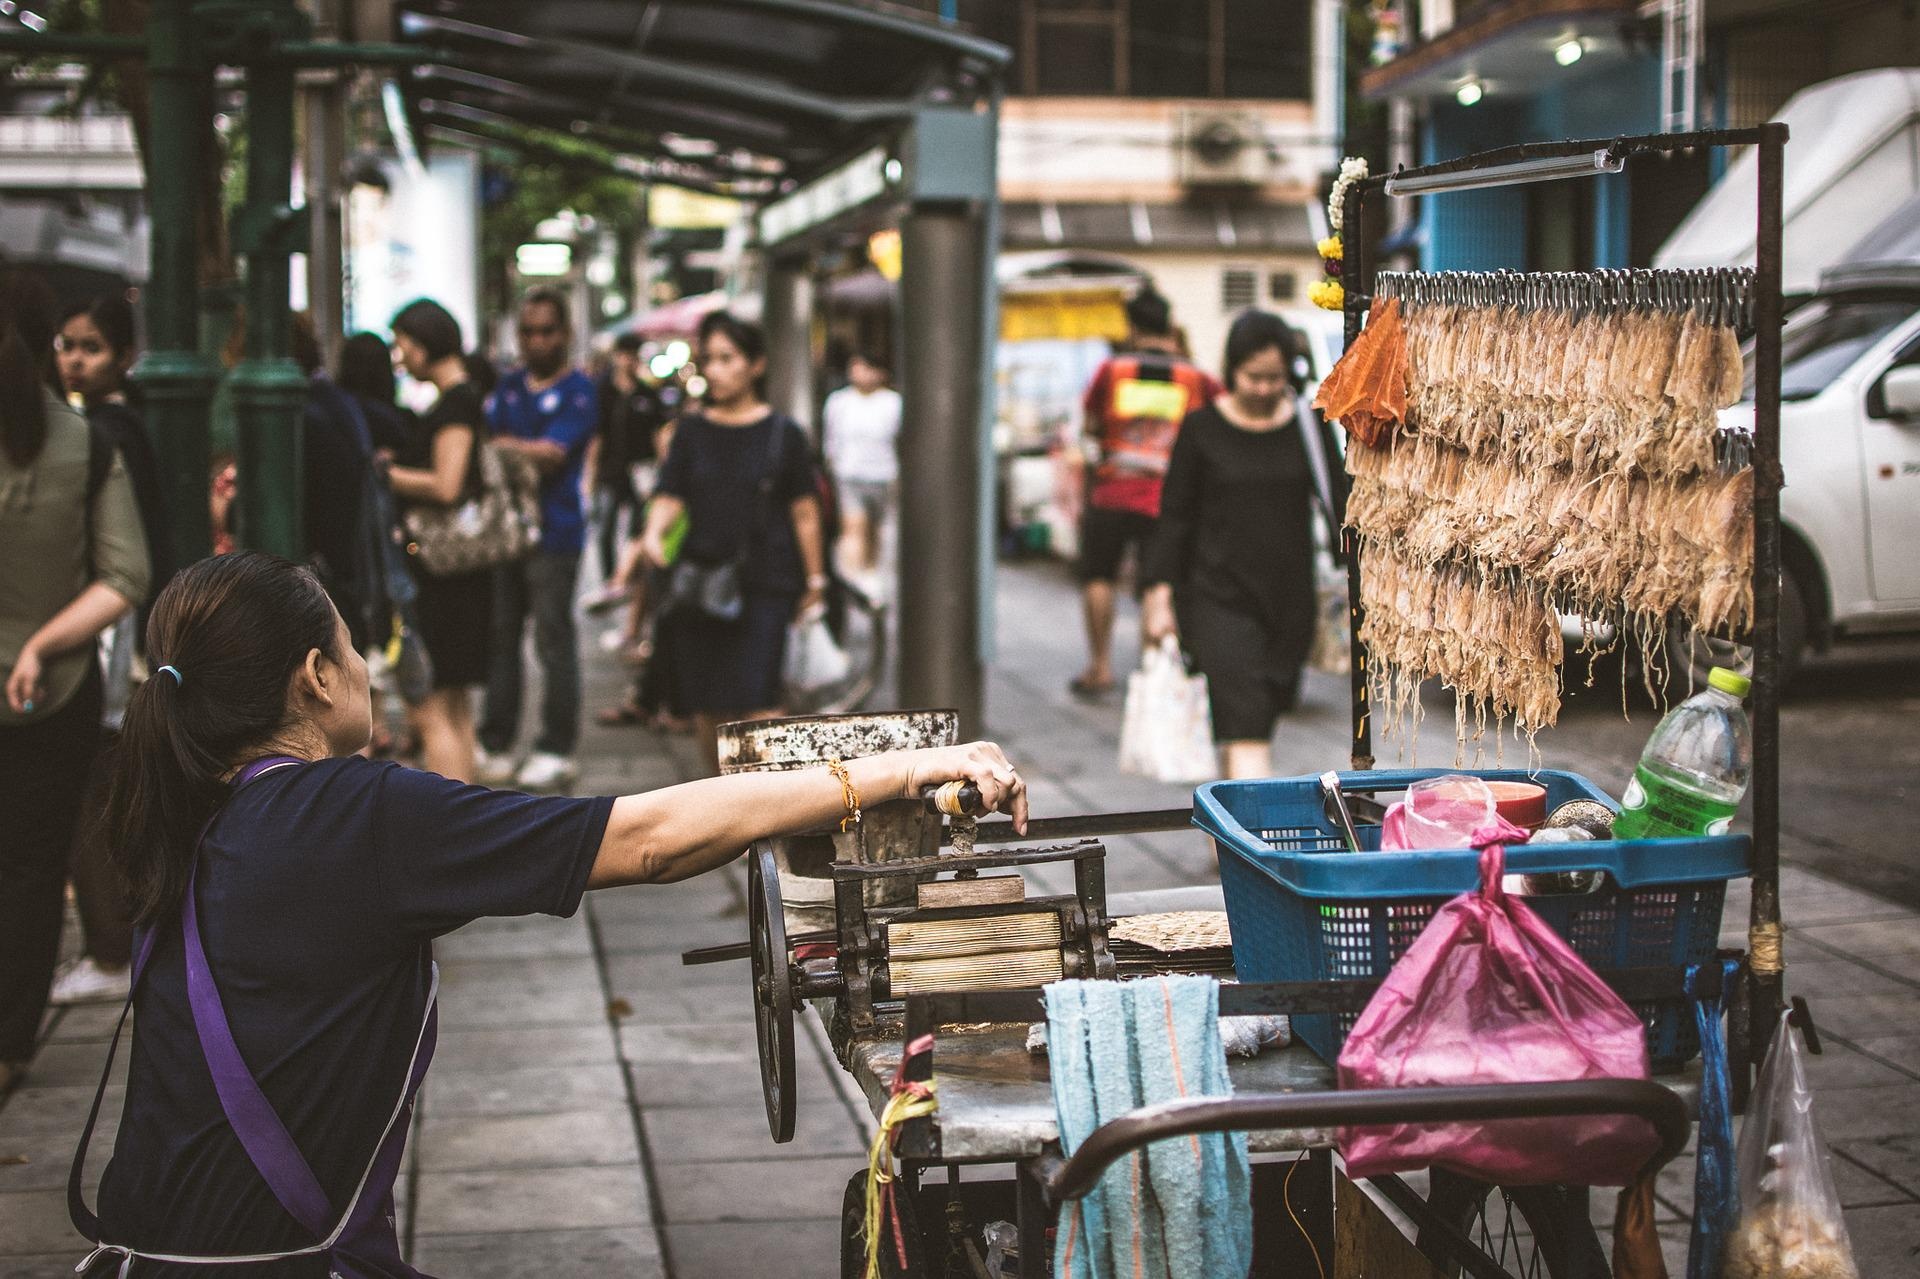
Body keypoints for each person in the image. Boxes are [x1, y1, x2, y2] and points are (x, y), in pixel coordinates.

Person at [69, 549, 1025, 1275]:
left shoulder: (189, 806)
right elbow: (647, 838)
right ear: (316, 676)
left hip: (152, 1241)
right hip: (267, 1256)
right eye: (354, 645)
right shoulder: (353, 816)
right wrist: (899, 770)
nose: (364, 665)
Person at [0, 267, 150, 1094]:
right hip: (52, 691)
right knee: (27, 867)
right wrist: (41, 644)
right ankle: (9, 1041)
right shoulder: (87, 444)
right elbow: (125, 572)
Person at [1141, 310, 1340, 780]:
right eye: (1254, 377)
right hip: (1217, 598)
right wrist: (1157, 594)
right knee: (1246, 718)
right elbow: (1174, 518)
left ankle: (1225, 837)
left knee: (1251, 721)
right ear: (1231, 370)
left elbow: (1339, 501)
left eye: (1275, 378)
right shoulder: (1201, 430)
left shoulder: (1308, 427)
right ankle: (1250, 844)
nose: (1265, 389)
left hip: (1289, 603)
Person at [48, 295, 174, 1007]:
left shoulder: (102, 431)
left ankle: (112, 944)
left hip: (114, 642)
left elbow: (122, 557)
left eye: (90, 346)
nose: (73, 358)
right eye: (67, 344)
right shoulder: (113, 424)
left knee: (97, 791)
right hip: (123, 636)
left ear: (123, 355)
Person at [640, 311, 828, 771]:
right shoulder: (690, 432)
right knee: (710, 706)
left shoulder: (784, 435)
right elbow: (671, 494)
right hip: (702, 582)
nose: (716, 370)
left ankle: (763, 812)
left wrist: (816, 578)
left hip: (765, 582)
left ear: (755, 365)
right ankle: (724, 802)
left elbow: (805, 512)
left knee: (760, 701)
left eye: (728, 358)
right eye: (710, 360)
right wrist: (652, 533)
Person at [1071, 286, 1221, 700]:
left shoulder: (1112, 370)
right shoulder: (1195, 377)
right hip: (1167, 499)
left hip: (1113, 491)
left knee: (1099, 575)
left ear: (1133, 326)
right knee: (1157, 582)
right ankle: (1150, 668)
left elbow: (1089, 424)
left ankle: (1099, 666)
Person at [476, 288, 597, 792]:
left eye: (546, 331)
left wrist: (504, 447)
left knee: (552, 639)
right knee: (501, 638)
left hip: (555, 532)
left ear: (565, 334)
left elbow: (551, 453)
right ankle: (496, 739)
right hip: (503, 535)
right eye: (527, 331)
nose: (536, 341)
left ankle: (555, 745)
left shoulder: (580, 391)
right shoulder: (507, 388)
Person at [381, 299, 492, 783]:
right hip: (460, 576)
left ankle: (454, 824)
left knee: (429, 709)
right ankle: (469, 818)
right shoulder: (462, 398)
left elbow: (446, 485)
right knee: (453, 704)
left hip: (443, 576)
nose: (400, 357)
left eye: (403, 345)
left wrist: (388, 473)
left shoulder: (456, 403)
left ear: (424, 343)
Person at [584, 331, 668, 594]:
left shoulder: (646, 394)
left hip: (640, 471)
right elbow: (596, 436)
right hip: (611, 469)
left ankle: (628, 576)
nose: (629, 362)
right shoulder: (602, 391)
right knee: (605, 527)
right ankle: (612, 580)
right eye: (625, 356)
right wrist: (591, 474)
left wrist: (663, 469)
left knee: (637, 527)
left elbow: (658, 434)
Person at [821, 351, 901, 588]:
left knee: (874, 528)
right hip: (849, 473)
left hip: (882, 474)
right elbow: (831, 439)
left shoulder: (892, 403)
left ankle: (870, 574)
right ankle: (853, 579)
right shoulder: (839, 402)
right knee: (854, 526)